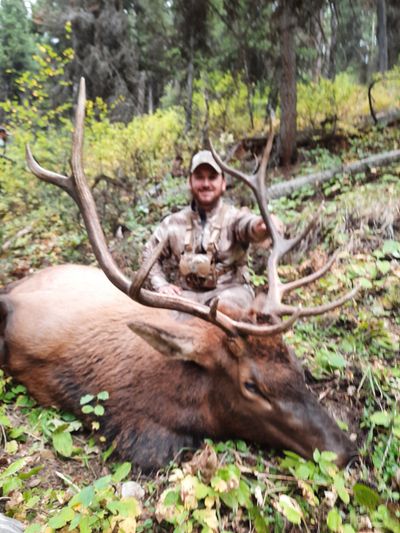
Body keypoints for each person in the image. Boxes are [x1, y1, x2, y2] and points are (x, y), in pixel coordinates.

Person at [142, 150, 283, 310]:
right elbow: (149, 253)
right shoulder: (173, 223)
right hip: (188, 296)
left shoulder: (235, 218)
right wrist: (161, 285)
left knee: (223, 309)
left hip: (231, 293)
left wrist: (262, 225)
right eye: (200, 177)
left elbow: (250, 227)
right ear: (190, 182)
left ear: (223, 183)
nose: (206, 184)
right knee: (166, 319)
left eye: (212, 177)